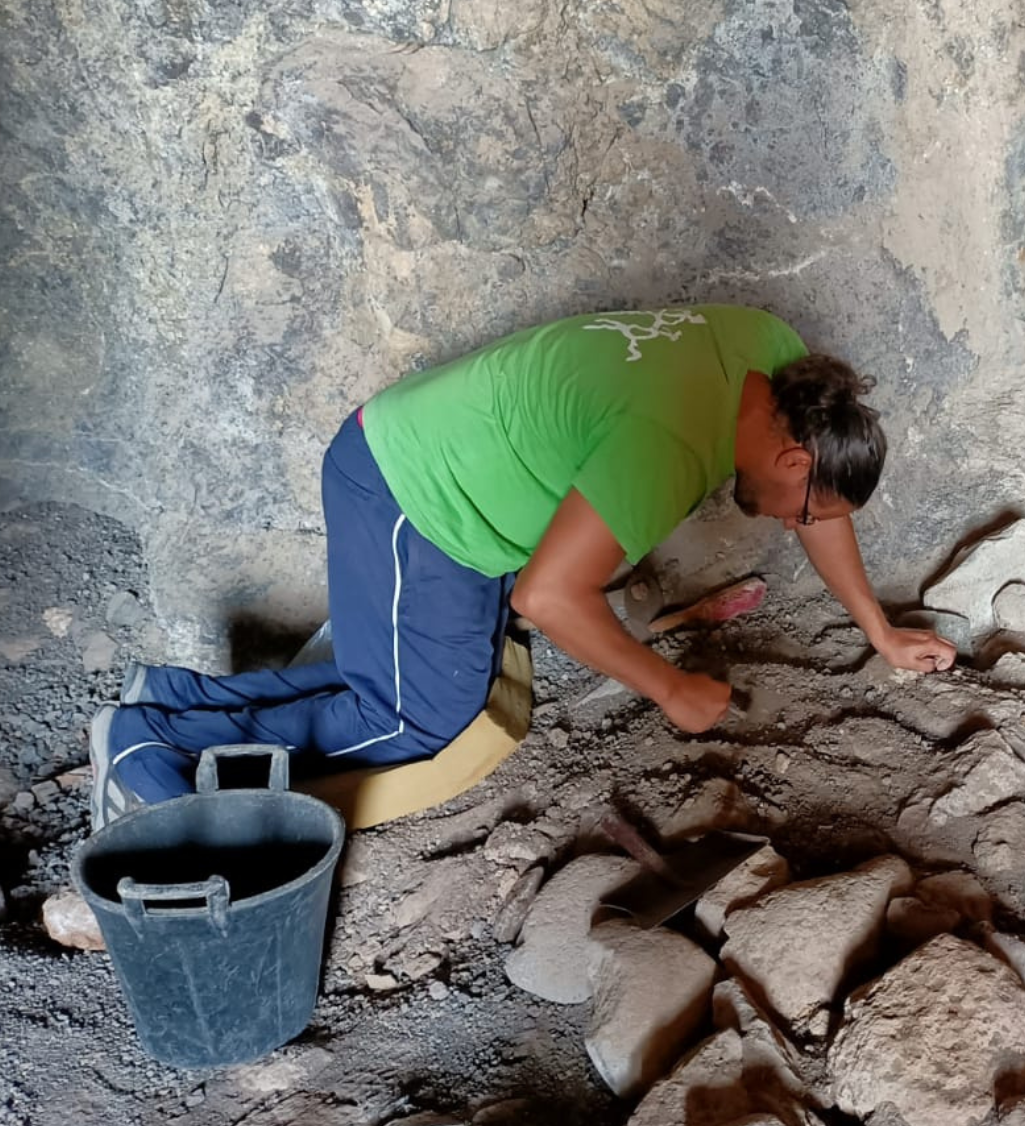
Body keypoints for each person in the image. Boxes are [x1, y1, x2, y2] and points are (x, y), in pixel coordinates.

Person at [89, 304, 956, 830]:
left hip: (461, 469)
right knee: (416, 717)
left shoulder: (775, 360)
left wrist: (877, 630)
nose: (795, 524)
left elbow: (821, 512)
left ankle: (165, 701)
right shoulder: (663, 449)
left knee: (415, 680)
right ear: (798, 459)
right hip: (407, 487)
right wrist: (669, 689)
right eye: (803, 507)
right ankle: (147, 750)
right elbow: (548, 596)